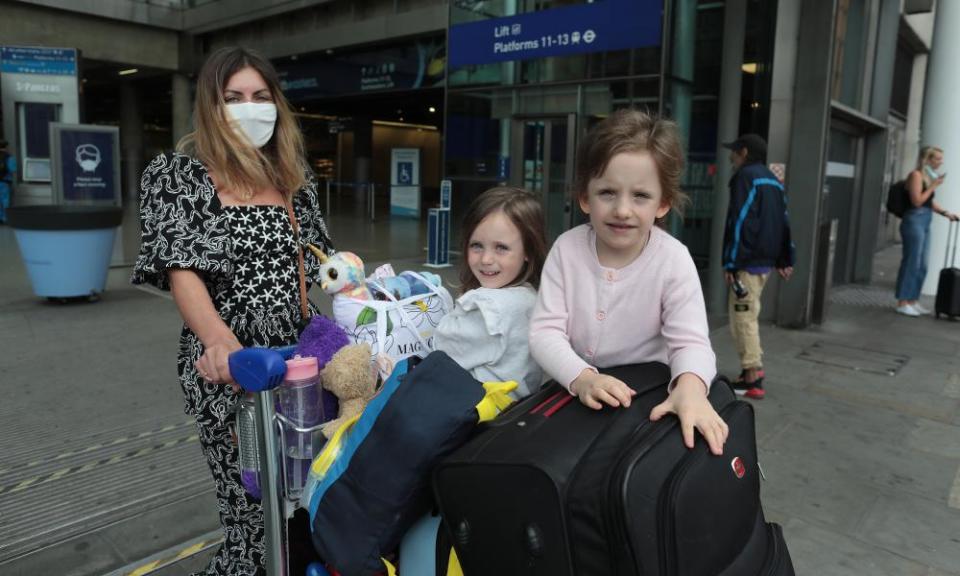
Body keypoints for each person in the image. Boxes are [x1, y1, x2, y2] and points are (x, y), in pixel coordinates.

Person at [132, 47, 333, 576]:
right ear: (211, 108)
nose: (250, 109)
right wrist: (222, 342)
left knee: (301, 509)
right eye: (233, 98)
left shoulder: (293, 182)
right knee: (251, 515)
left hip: (298, 368)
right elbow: (182, 271)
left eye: (260, 97)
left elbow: (312, 272)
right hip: (231, 372)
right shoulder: (180, 175)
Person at [529, 109, 728, 456]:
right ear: (584, 197)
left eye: (640, 196)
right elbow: (545, 332)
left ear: (663, 202)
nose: (622, 210)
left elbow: (691, 342)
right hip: (578, 394)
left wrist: (692, 387)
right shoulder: (567, 248)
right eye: (607, 192)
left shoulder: (673, 259)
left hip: (644, 400)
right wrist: (582, 377)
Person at [434, 186, 547, 399]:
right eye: (477, 245)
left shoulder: (486, 307)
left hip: (469, 417)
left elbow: (439, 352)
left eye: (501, 248)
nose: (486, 259)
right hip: (513, 410)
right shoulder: (531, 297)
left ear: (528, 251)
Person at [720, 133, 794, 400]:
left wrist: (731, 261)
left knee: (743, 318)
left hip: (747, 264)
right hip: (764, 264)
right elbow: (784, 220)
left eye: (733, 152)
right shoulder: (772, 180)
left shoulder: (745, 177)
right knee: (749, 315)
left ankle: (752, 379)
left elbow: (739, 221)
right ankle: (751, 371)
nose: (731, 157)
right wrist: (786, 258)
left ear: (743, 152)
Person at [895, 145, 959, 317]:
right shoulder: (916, 175)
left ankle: (912, 300)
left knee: (922, 264)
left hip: (925, 220)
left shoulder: (928, 176)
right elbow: (917, 201)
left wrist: (946, 213)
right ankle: (902, 301)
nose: (941, 162)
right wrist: (934, 186)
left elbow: (927, 201)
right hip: (914, 220)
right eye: (937, 158)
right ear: (928, 159)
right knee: (912, 262)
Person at [0, 140, 15, 223]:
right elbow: (13, 169)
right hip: (5, 182)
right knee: (5, 200)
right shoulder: (9, 157)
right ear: (6, 147)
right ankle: (5, 218)